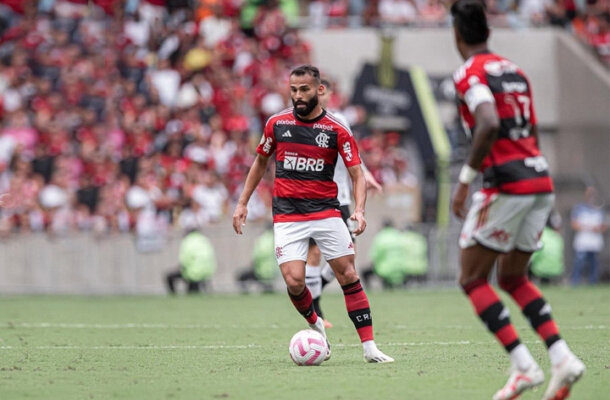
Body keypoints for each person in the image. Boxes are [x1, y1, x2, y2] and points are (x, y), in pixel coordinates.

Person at [449, 1, 585, 399]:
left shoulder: (469, 73)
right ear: (487, 33)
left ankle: (524, 366)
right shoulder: (515, 71)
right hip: (539, 179)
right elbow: (532, 128)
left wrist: (465, 180)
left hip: (505, 183)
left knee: (472, 278)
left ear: (456, 35)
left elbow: (488, 121)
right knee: (511, 277)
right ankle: (561, 359)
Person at [232, 64, 393, 363]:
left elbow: (357, 174)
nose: (298, 96)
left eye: (304, 89)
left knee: (348, 273)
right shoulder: (277, 124)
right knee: (294, 281)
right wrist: (242, 202)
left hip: (326, 213)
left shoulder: (336, 129)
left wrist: (359, 210)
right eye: (293, 90)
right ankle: (316, 323)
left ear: (319, 90)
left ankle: (369, 347)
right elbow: (259, 163)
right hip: (287, 216)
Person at [305, 78, 383, 328]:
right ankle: (315, 310)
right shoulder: (300, 122)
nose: (322, 96)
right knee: (315, 252)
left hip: (342, 199)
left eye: (325, 92)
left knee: (348, 256)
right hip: (315, 197)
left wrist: (367, 175)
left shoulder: (339, 121)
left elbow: (353, 154)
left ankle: (312, 293)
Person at [362, 220, 428, 289]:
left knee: (366, 272)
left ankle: (370, 291)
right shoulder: (400, 236)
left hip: (385, 270)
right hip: (402, 268)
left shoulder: (380, 237)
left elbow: (375, 256)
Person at [569, 186, 608, 285]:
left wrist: (598, 228)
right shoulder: (579, 208)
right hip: (582, 241)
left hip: (595, 242)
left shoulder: (600, 210)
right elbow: (574, 224)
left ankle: (593, 284)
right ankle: (575, 283)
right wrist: (589, 228)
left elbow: (605, 226)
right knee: (579, 263)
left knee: (594, 264)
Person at [165, 228, 217, 294]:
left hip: (192, 273)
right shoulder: (204, 240)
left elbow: (185, 260)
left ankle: (174, 295)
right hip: (207, 272)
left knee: (170, 276)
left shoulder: (187, 241)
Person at [236, 222, 279, 293]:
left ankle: (246, 293)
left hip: (261, 271)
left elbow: (257, 256)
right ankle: (267, 287)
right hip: (273, 271)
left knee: (242, 277)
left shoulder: (262, 240)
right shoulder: (275, 239)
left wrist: (252, 265)